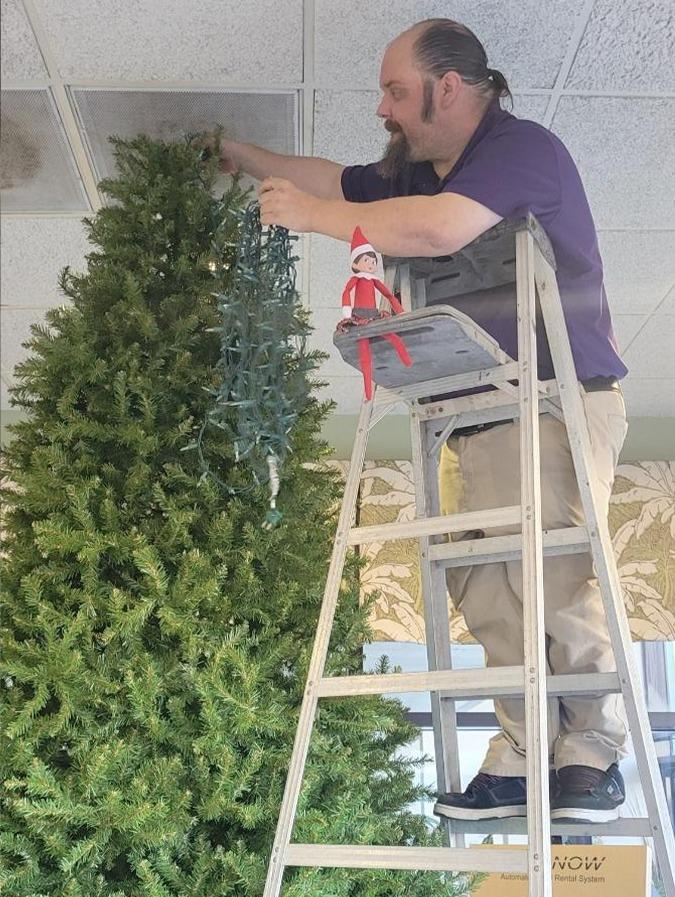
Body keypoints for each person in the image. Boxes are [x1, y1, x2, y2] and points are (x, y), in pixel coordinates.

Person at [206, 18, 629, 824]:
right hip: (470, 408)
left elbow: (435, 228)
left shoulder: (520, 147)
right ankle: (522, 745)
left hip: (551, 393)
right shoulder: (416, 172)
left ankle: (592, 753)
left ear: (450, 87)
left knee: (555, 571)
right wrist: (251, 159)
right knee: (483, 584)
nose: (382, 108)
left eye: (396, 91)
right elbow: (336, 180)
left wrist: (303, 215)